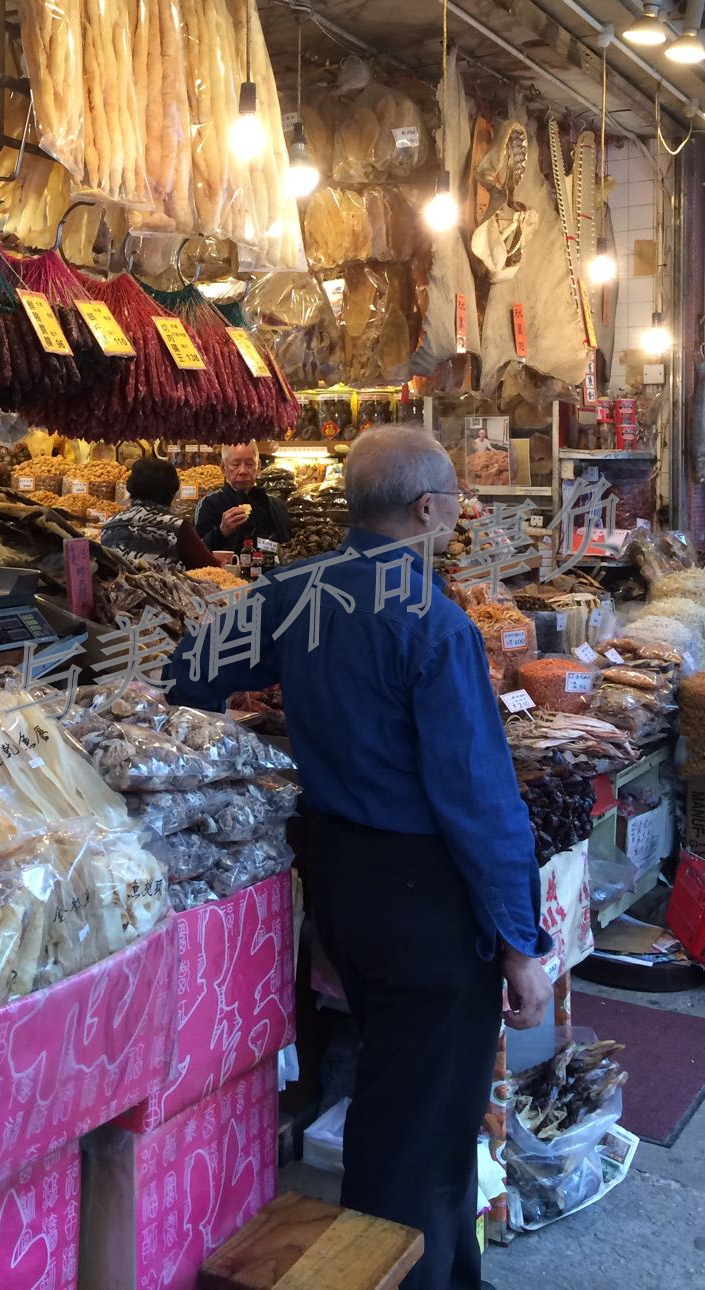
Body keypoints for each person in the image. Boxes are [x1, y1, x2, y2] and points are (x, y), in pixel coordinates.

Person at [167, 425, 551, 1290]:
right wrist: (523, 944)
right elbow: (479, 801)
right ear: (426, 508)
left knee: (405, 1097)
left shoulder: (293, 591)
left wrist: (275, 721)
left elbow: (188, 671)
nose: (460, 514)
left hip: (339, 882)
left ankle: (449, 1273)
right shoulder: (437, 627)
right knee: (421, 1131)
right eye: (456, 501)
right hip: (426, 901)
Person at [100, 456, 221, 569]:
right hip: (163, 591)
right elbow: (210, 568)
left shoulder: (110, 524)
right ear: (173, 491)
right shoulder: (176, 526)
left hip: (117, 591)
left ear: (130, 488)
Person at [194, 440, 291, 557]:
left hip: (270, 572)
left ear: (259, 466)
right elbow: (196, 552)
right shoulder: (209, 504)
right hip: (225, 573)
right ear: (223, 468)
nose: (243, 471)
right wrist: (221, 532)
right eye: (235, 464)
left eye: (250, 464)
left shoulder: (276, 505)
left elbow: (287, 547)